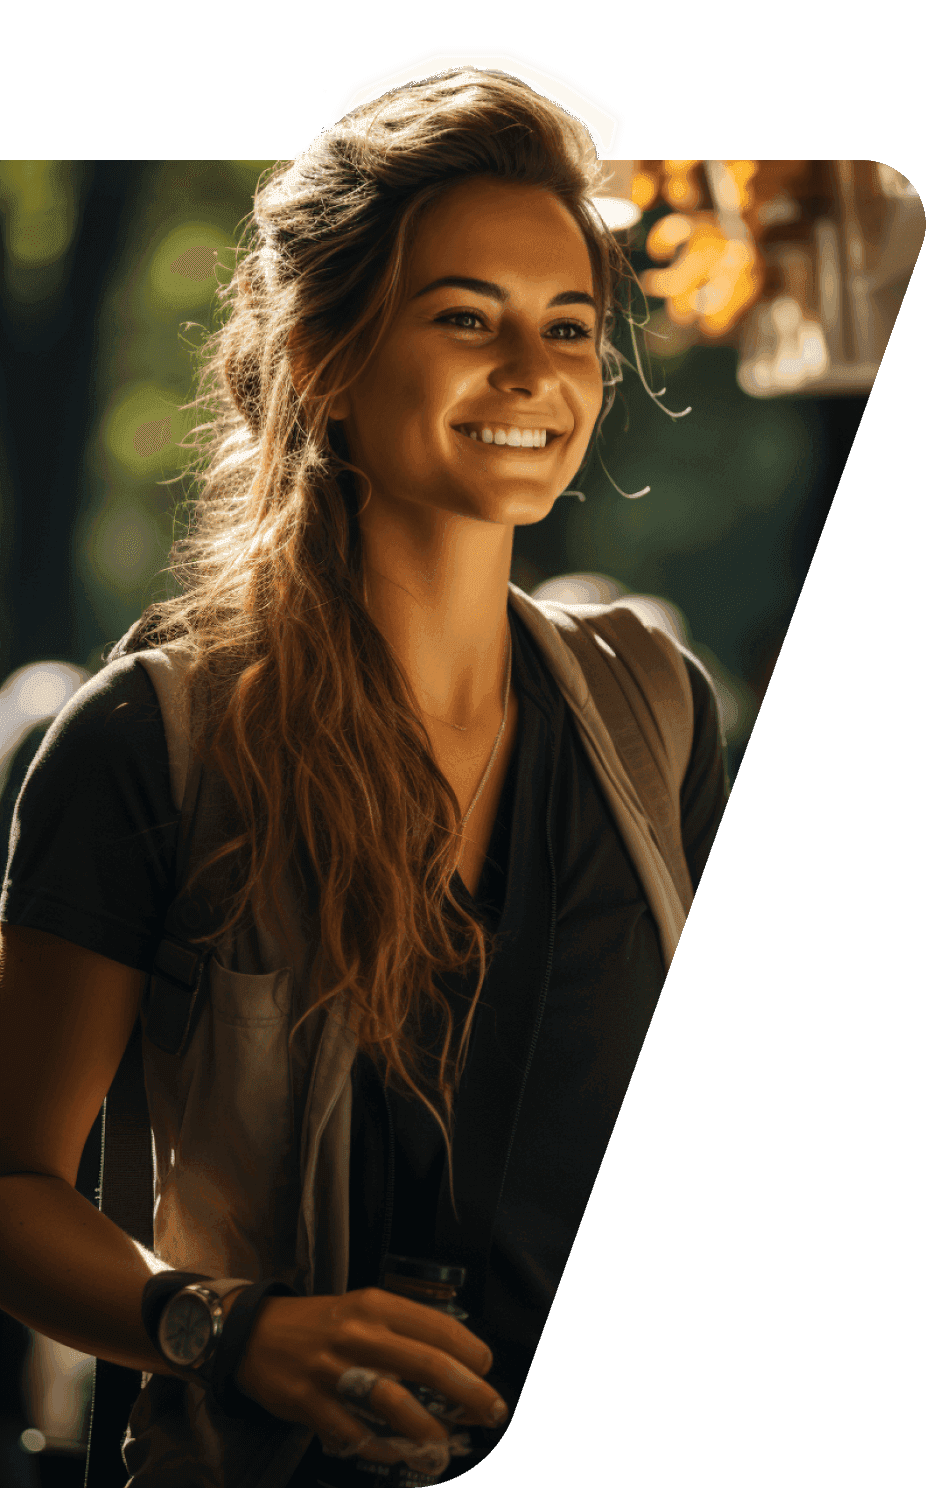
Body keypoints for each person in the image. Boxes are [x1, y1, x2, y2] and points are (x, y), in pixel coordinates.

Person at [0, 70, 729, 1487]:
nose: (533, 371)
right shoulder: (149, 744)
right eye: (466, 317)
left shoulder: (657, 712)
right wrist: (224, 1329)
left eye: (568, 328)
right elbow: (12, 1188)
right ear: (323, 354)